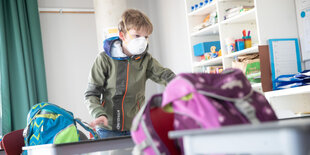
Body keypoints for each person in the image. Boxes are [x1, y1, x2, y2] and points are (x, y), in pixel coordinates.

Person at [84, 9, 175, 139]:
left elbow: (164, 75)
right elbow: (91, 94)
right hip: (107, 129)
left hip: (136, 127)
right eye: (137, 36)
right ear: (122, 35)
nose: (142, 41)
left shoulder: (146, 59)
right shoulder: (104, 59)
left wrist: (185, 85)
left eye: (146, 37)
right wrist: (99, 114)